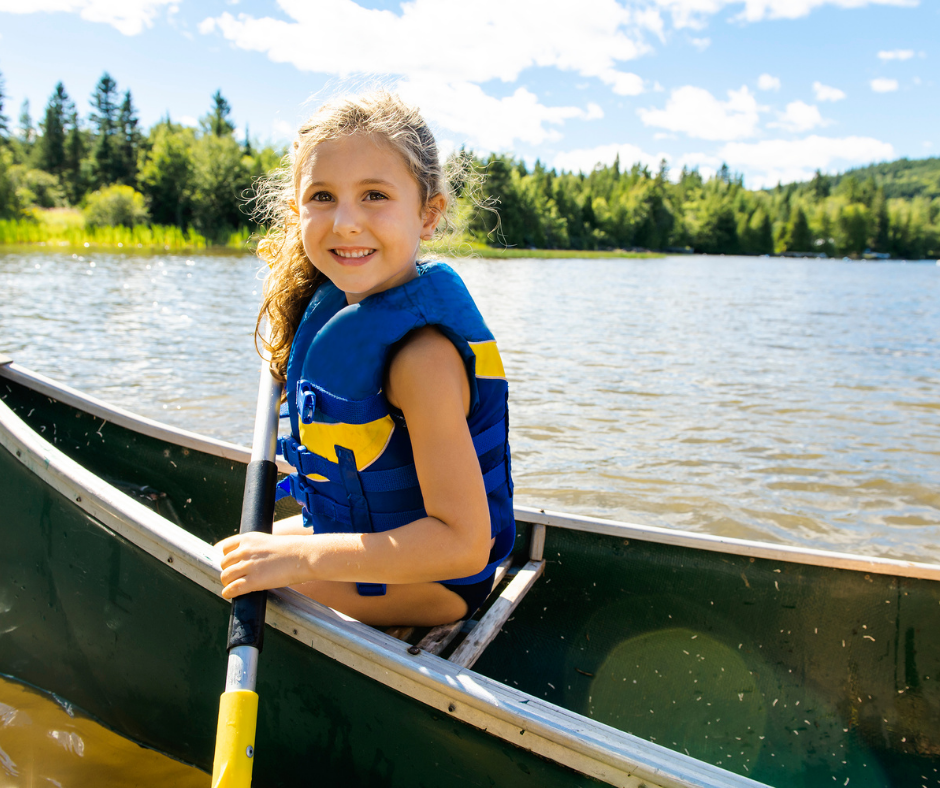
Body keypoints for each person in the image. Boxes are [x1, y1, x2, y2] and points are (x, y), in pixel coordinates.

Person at [217, 91, 514, 628]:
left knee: (228, 581)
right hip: (376, 543)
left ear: (428, 214)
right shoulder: (336, 314)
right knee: (227, 555)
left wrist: (301, 558)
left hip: (439, 579)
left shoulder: (422, 360)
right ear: (297, 211)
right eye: (323, 196)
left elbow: (466, 545)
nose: (346, 222)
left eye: (374, 195)